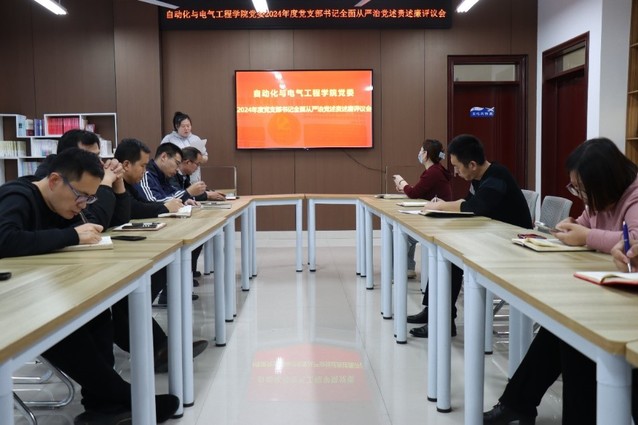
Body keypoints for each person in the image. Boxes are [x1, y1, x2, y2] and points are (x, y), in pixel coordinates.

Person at [0, 148, 179, 424]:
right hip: (13, 303)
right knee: (64, 328)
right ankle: (121, 397)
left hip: (36, 290)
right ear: (55, 180)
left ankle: (103, 407)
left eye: (89, 198)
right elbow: (5, 240)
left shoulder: (62, 204)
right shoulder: (17, 196)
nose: (83, 205)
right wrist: (71, 236)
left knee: (97, 313)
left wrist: (116, 189)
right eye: (80, 196)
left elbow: (108, 224)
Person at [484, 137, 638, 425]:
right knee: (562, 327)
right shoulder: (599, 198)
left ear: (604, 181)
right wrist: (574, 227)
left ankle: (517, 403)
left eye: (582, 188)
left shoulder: (633, 196)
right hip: (606, 290)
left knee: (571, 334)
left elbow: (632, 240)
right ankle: (517, 403)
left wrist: (587, 237)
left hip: (627, 307)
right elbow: (585, 223)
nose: (580, 195)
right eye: (575, 188)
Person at [410, 134, 532, 338]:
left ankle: (443, 320)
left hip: (513, 246)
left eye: (457, 167)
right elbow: (466, 204)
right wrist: (445, 207)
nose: (456, 172)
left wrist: (440, 207)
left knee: (450, 258)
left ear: (472, 165)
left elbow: (475, 207)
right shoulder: (478, 178)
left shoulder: (497, 176)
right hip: (494, 238)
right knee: (446, 251)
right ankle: (433, 311)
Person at [113, 139, 208, 373]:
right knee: (128, 301)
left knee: (134, 298)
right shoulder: (112, 184)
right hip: (112, 253)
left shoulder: (130, 183)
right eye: (142, 166)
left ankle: (161, 348)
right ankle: (159, 349)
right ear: (127, 164)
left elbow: (138, 206)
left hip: (119, 247)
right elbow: (135, 209)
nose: (144, 171)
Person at [34, 129, 130, 229]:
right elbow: (94, 224)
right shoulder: (53, 180)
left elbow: (120, 221)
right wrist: (106, 182)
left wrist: (118, 182)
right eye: (90, 157)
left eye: (98, 156)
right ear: (70, 156)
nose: (100, 163)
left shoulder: (85, 178)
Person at [392, 138, 453, 279]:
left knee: (401, 232)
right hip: (437, 214)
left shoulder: (432, 172)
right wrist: (405, 188)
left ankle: (403, 269)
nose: (419, 154)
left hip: (437, 218)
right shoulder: (437, 170)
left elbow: (414, 194)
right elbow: (421, 192)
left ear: (426, 154)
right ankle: (408, 268)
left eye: (421, 151)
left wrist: (401, 182)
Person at [161, 111, 211, 186]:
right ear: (177, 126)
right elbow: (163, 157)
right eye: (183, 126)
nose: (186, 128)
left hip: (194, 176)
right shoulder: (168, 139)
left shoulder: (196, 138)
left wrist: (198, 159)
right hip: (175, 176)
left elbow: (205, 157)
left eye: (188, 126)